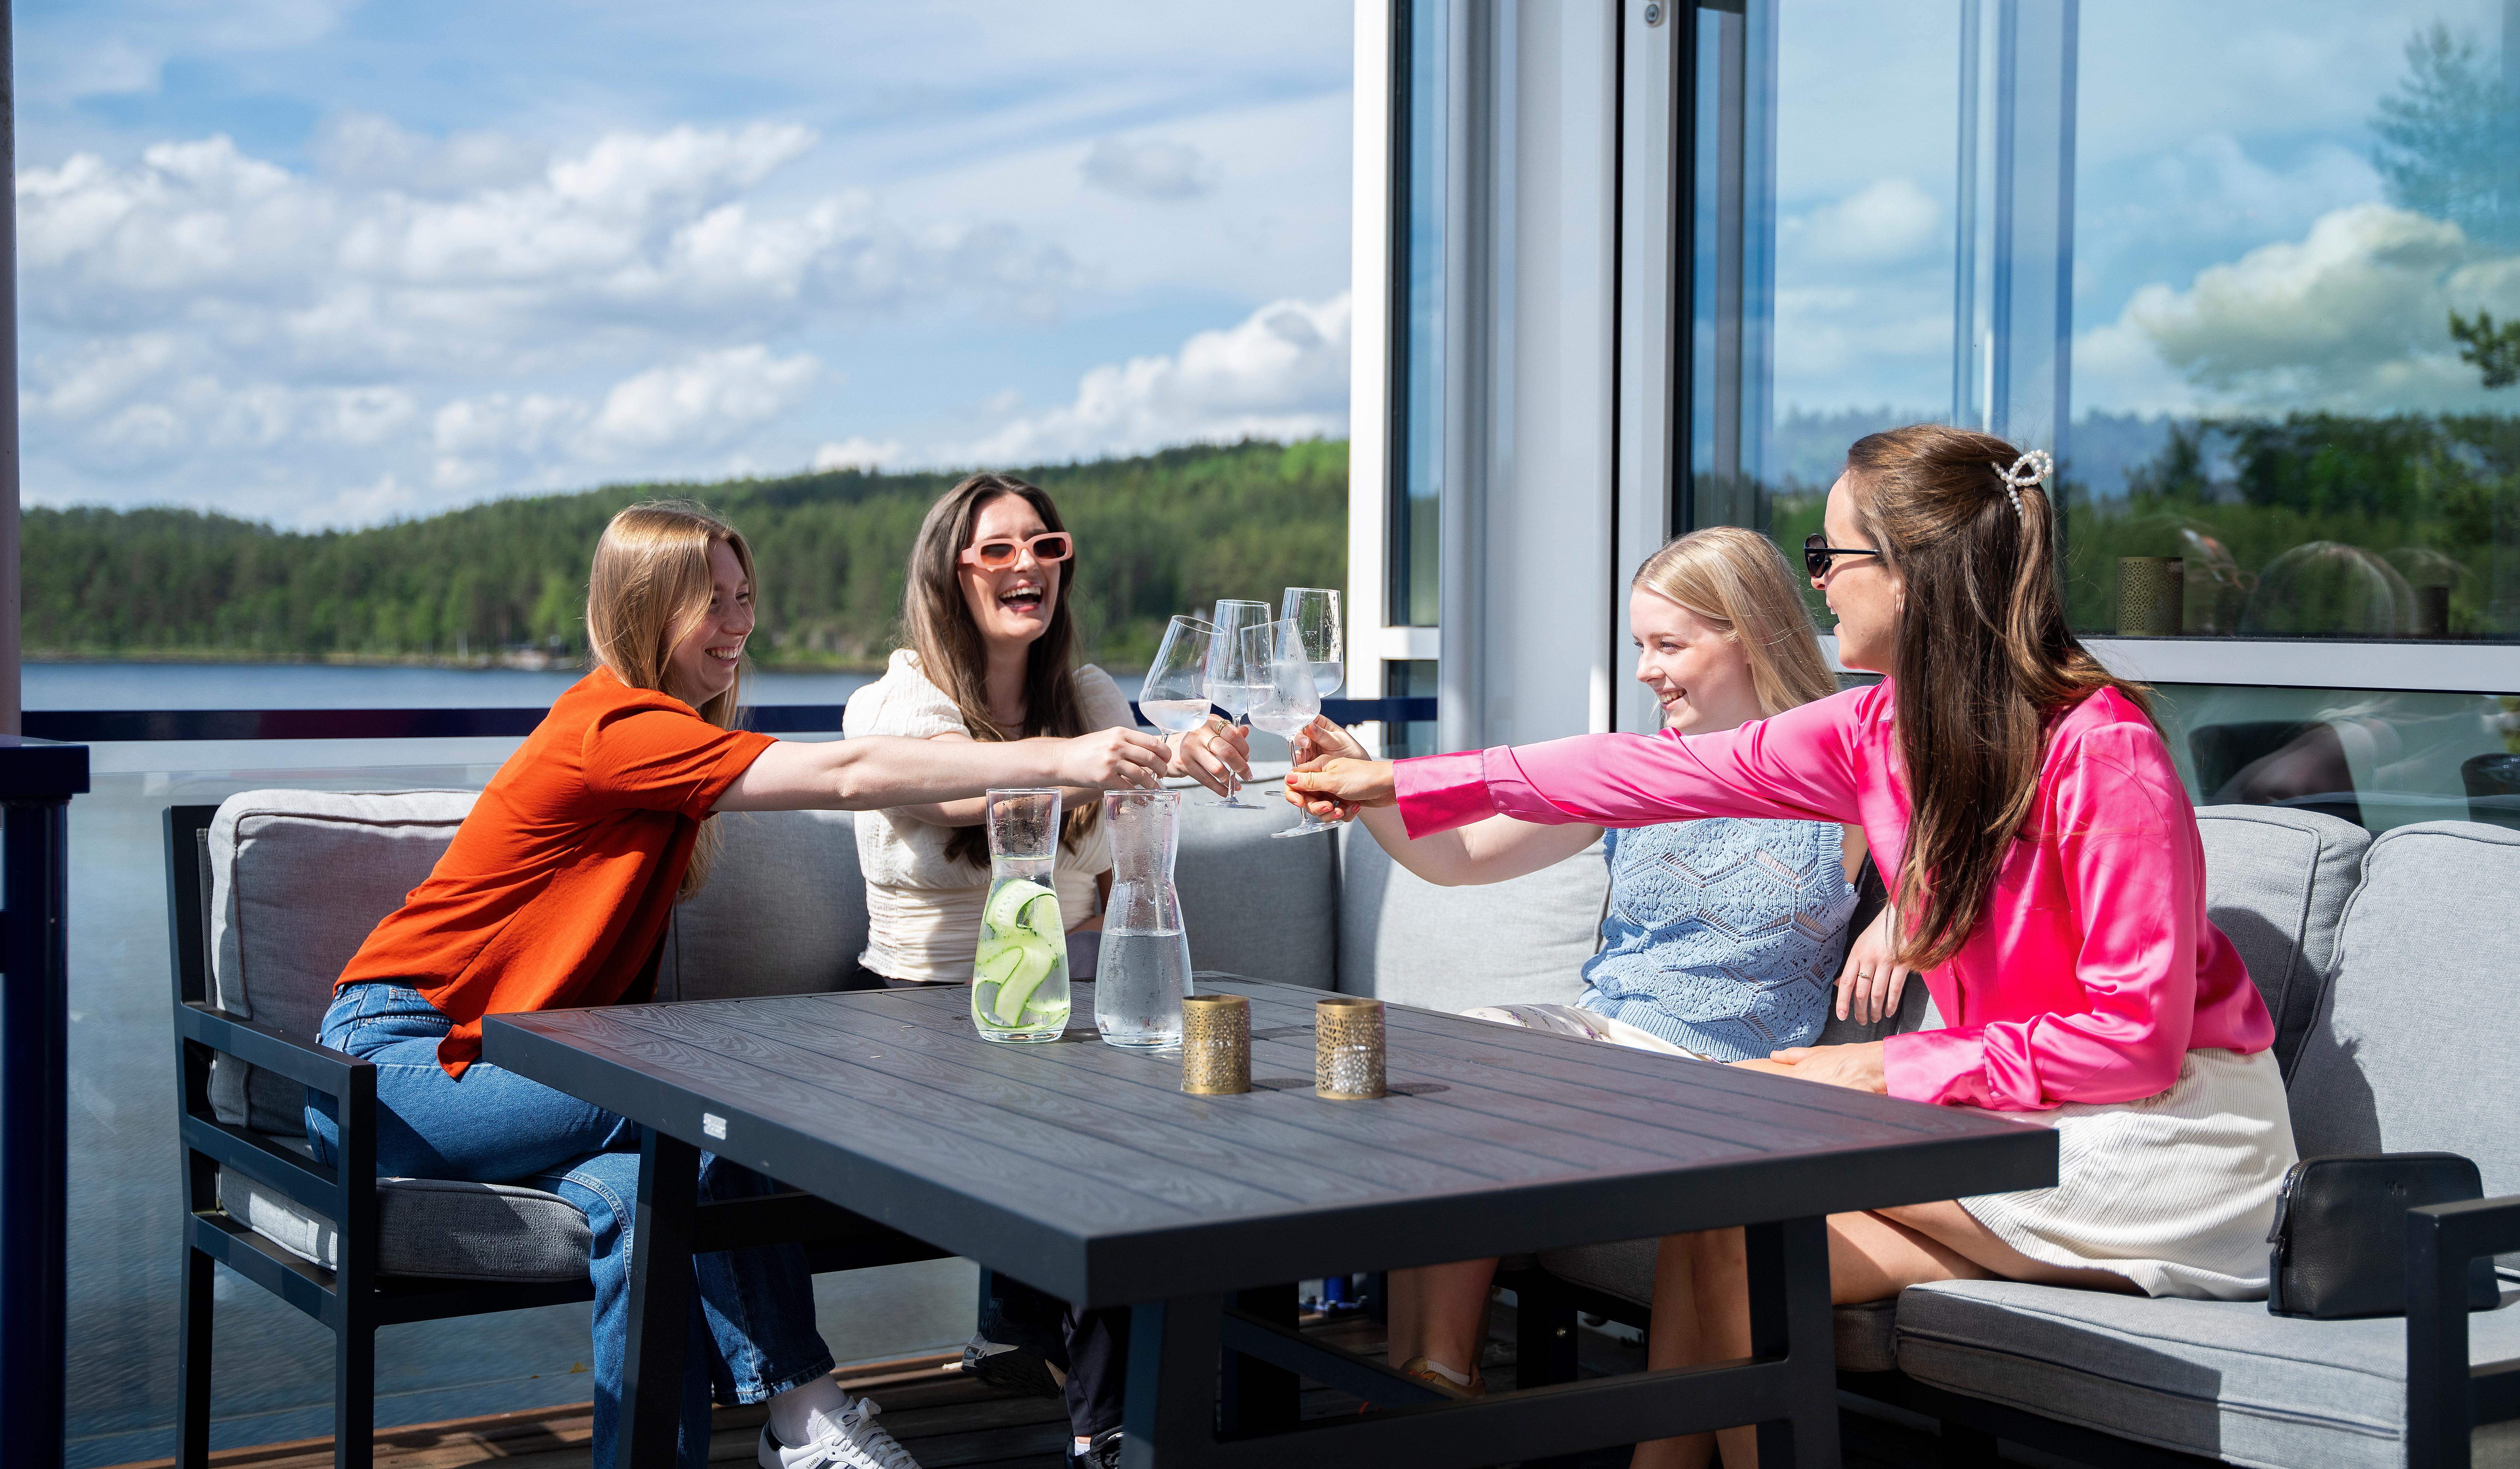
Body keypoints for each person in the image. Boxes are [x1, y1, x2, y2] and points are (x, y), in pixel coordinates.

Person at [1287, 425, 2299, 1469]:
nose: (1815, 581)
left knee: (1744, 1194)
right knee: (1728, 1229)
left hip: (2154, 1142)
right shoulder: (1876, 731)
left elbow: (2132, 1040)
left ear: (1911, 576)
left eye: (1829, 556)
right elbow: (1633, 775)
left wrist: (1873, 1064)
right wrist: (1399, 782)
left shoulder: (2104, 752)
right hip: (2011, 1118)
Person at [305, 500, 1173, 1469]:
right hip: (396, 1071)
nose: (738, 622)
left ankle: (742, 1438)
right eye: (710, 601)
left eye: (743, 599)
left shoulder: (668, 738)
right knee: (695, 1107)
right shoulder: (610, 725)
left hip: (510, 1073)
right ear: (644, 607)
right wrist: (1060, 756)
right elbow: (847, 771)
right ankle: (806, 1420)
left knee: (645, 1201)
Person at [1288, 526, 1879, 1399]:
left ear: (1749, 633)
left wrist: (1904, 912)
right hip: (1608, 1048)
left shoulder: (1843, 771)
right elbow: (1456, 858)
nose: (1644, 669)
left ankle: (1430, 1397)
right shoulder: (1638, 773)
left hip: (1739, 1082)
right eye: (1640, 644)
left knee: (1479, 1073)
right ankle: (1435, 1382)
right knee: (1461, 1057)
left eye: (1667, 645)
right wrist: (1366, 781)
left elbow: (1966, 832)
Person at [842, 472, 1247, 1469]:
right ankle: (1109, 1427)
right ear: (948, 572)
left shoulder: (1089, 695)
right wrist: (1101, 758)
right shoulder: (893, 701)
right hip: (927, 1007)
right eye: (998, 550)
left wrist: (1186, 762)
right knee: (1099, 1137)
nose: (1028, 566)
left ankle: (1146, 1366)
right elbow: (944, 799)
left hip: (1062, 1004)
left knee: (1207, 1100)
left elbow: (1119, 868)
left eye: (1045, 547)